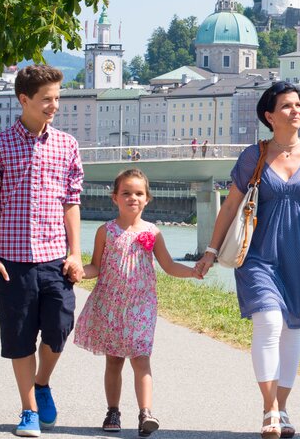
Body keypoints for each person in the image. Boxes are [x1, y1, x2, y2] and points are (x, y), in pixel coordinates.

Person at [194, 81, 300, 439]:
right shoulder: (255, 156)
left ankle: (283, 407)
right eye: (286, 106)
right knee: (268, 322)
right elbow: (231, 205)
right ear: (270, 115)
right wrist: (210, 250)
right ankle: (268, 409)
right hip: (258, 255)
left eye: (298, 104)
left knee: (292, 329)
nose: (295, 110)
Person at [0, 65, 85, 438]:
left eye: (57, 98)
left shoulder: (67, 145)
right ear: (24, 100)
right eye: (46, 99)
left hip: (56, 256)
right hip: (12, 259)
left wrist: (75, 252)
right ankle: (29, 411)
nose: (54, 105)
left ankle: (42, 382)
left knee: (58, 328)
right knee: (20, 336)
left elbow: (72, 201)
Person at [74, 169, 200, 437]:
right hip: (110, 304)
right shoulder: (105, 231)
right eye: (126, 193)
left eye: (139, 193)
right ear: (115, 198)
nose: (133, 197)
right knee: (114, 361)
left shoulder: (152, 233)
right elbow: (96, 266)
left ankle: (146, 414)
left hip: (141, 306)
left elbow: (168, 266)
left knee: (141, 359)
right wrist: (77, 272)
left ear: (147, 199)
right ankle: (113, 411)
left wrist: (191, 271)